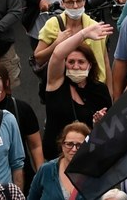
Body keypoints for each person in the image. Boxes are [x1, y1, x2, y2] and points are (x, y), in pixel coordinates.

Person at [42, 20, 112, 158]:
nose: (75, 66)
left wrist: (98, 122)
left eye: (81, 62)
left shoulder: (100, 90)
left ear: (90, 65)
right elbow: (57, 55)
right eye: (71, 62)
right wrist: (84, 34)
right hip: (56, 157)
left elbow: (108, 128)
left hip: (88, 157)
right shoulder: (56, 83)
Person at [29, 122, 89, 200]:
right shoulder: (46, 170)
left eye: (79, 145)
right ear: (62, 145)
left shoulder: (93, 174)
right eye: (69, 144)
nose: (74, 149)